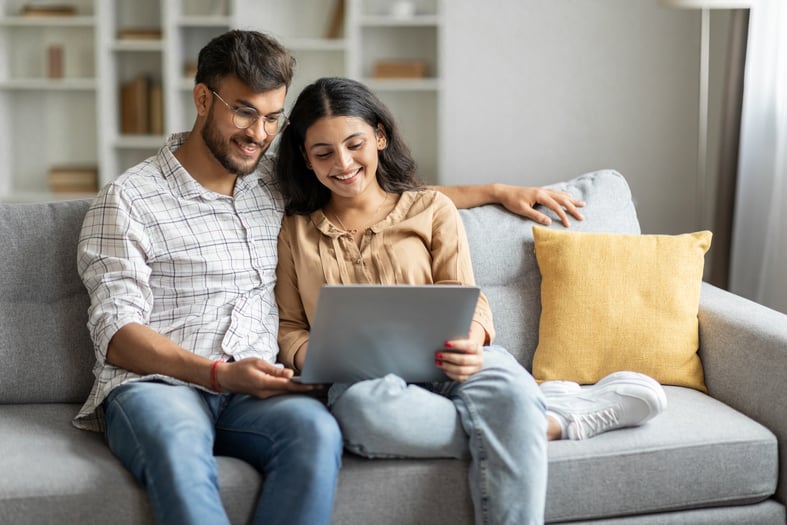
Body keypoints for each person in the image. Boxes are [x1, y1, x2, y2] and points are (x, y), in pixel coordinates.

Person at [73, 30, 591, 525]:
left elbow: (376, 197)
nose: (257, 133)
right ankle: (526, 429)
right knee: (177, 446)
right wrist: (217, 373)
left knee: (318, 433)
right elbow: (115, 334)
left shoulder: (268, 181)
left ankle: (519, 424)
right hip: (161, 385)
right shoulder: (128, 200)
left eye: (272, 118)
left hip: (255, 391)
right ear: (204, 99)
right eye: (244, 112)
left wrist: (498, 191)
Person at [273, 77, 667, 525]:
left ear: (379, 137)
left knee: (507, 390)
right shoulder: (294, 231)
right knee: (366, 417)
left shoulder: (431, 209)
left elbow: (468, 297)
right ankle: (548, 420)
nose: (342, 163)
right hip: (365, 382)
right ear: (305, 159)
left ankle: (523, 411)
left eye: (354, 144)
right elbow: (289, 325)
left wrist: (472, 342)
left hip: (454, 361)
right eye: (323, 152)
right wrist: (319, 358)